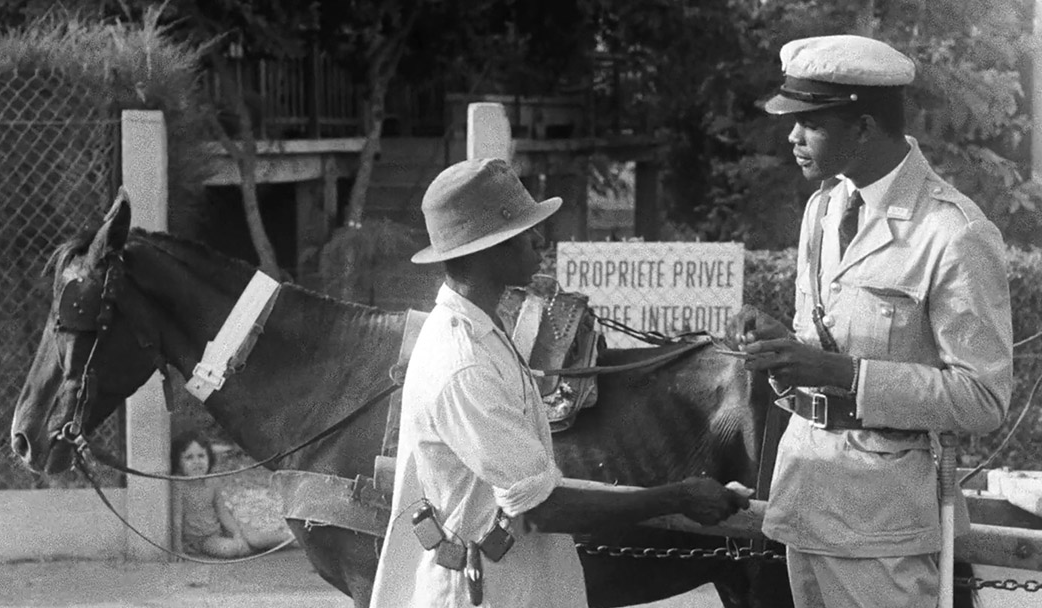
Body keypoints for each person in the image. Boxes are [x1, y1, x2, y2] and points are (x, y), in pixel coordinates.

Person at [370, 158, 750, 608]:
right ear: (485, 250)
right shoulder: (464, 364)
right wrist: (678, 496)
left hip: (512, 581)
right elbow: (542, 508)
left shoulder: (483, 332)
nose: (538, 241)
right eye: (522, 233)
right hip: (486, 594)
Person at [729, 35, 1013, 607]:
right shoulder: (824, 208)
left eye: (810, 123)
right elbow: (829, 335)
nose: (792, 137)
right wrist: (786, 345)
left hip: (883, 525)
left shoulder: (953, 232)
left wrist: (841, 372)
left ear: (862, 127)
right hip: (805, 501)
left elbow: (983, 397)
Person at [170, 430, 290, 558]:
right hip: (204, 540)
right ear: (178, 462)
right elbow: (176, 519)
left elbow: (223, 512)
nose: (196, 462)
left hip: (220, 531)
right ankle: (248, 547)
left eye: (201, 456)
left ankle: (293, 540)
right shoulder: (179, 485)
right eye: (189, 457)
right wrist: (177, 550)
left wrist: (236, 533)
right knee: (229, 548)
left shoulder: (212, 482)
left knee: (255, 538)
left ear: (209, 457)